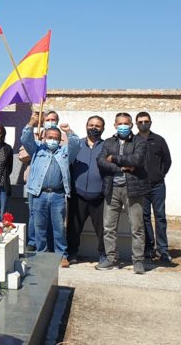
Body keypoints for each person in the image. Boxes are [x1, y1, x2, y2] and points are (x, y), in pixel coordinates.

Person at [20, 112, 79, 267]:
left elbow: (76, 144)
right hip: (39, 193)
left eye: (55, 138)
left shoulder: (65, 152)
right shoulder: (37, 150)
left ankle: (62, 255)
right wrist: (31, 122)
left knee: (59, 227)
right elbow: (25, 139)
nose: (52, 140)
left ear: (60, 140)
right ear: (44, 138)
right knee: (39, 227)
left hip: (58, 195)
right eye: (50, 137)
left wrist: (68, 131)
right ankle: (42, 254)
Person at [96, 112, 150, 274]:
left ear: (131, 125)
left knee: (137, 227)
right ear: (114, 126)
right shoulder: (108, 142)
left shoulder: (139, 141)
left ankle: (138, 261)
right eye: (120, 124)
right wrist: (120, 167)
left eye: (126, 124)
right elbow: (100, 161)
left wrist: (113, 158)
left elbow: (137, 160)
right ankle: (111, 258)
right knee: (109, 227)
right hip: (111, 189)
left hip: (133, 189)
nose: (123, 127)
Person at [68, 115, 107, 264]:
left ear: (103, 128)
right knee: (74, 228)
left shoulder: (107, 146)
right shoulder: (76, 145)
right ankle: (72, 254)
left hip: (99, 196)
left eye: (97, 126)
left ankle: (103, 255)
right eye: (91, 125)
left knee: (103, 229)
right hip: (77, 195)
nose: (94, 128)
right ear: (86, 126)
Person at [136, 111, 173, 263]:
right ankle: (149, 249)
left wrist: (160, 174)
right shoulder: (133, 140)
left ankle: (163, 250)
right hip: (140, 186)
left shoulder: (159, 140)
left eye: (146, 121)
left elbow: (167, 160)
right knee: (143, 218)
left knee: (160, 217)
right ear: (136, 123)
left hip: (158, 186)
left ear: (151, 122)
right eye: (140, 121)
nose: (143, 124)